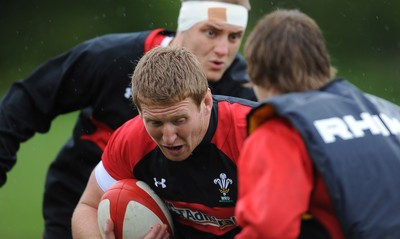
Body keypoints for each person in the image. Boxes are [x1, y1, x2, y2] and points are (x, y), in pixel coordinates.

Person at [0, 0, 255, 238]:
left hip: (181, 213)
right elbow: (29, 100)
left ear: (207, 102)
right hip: (80, 190)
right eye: (211, 32)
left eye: (234, 37)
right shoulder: (112, 57)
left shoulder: (244, 95)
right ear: (185, 24)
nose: (223, 50)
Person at [234, 9, 400, 239]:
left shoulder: (282, 130)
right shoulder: (389, 113)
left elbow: (269, 229)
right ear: (322, 62)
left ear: (257, 73)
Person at [71, 46, 258, 238]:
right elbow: (88, 207)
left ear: (206, 102)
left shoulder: (256, 134)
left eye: (179, 120)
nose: (168, 137)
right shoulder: (131, 140)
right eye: (155, 122)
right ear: (140, 111)